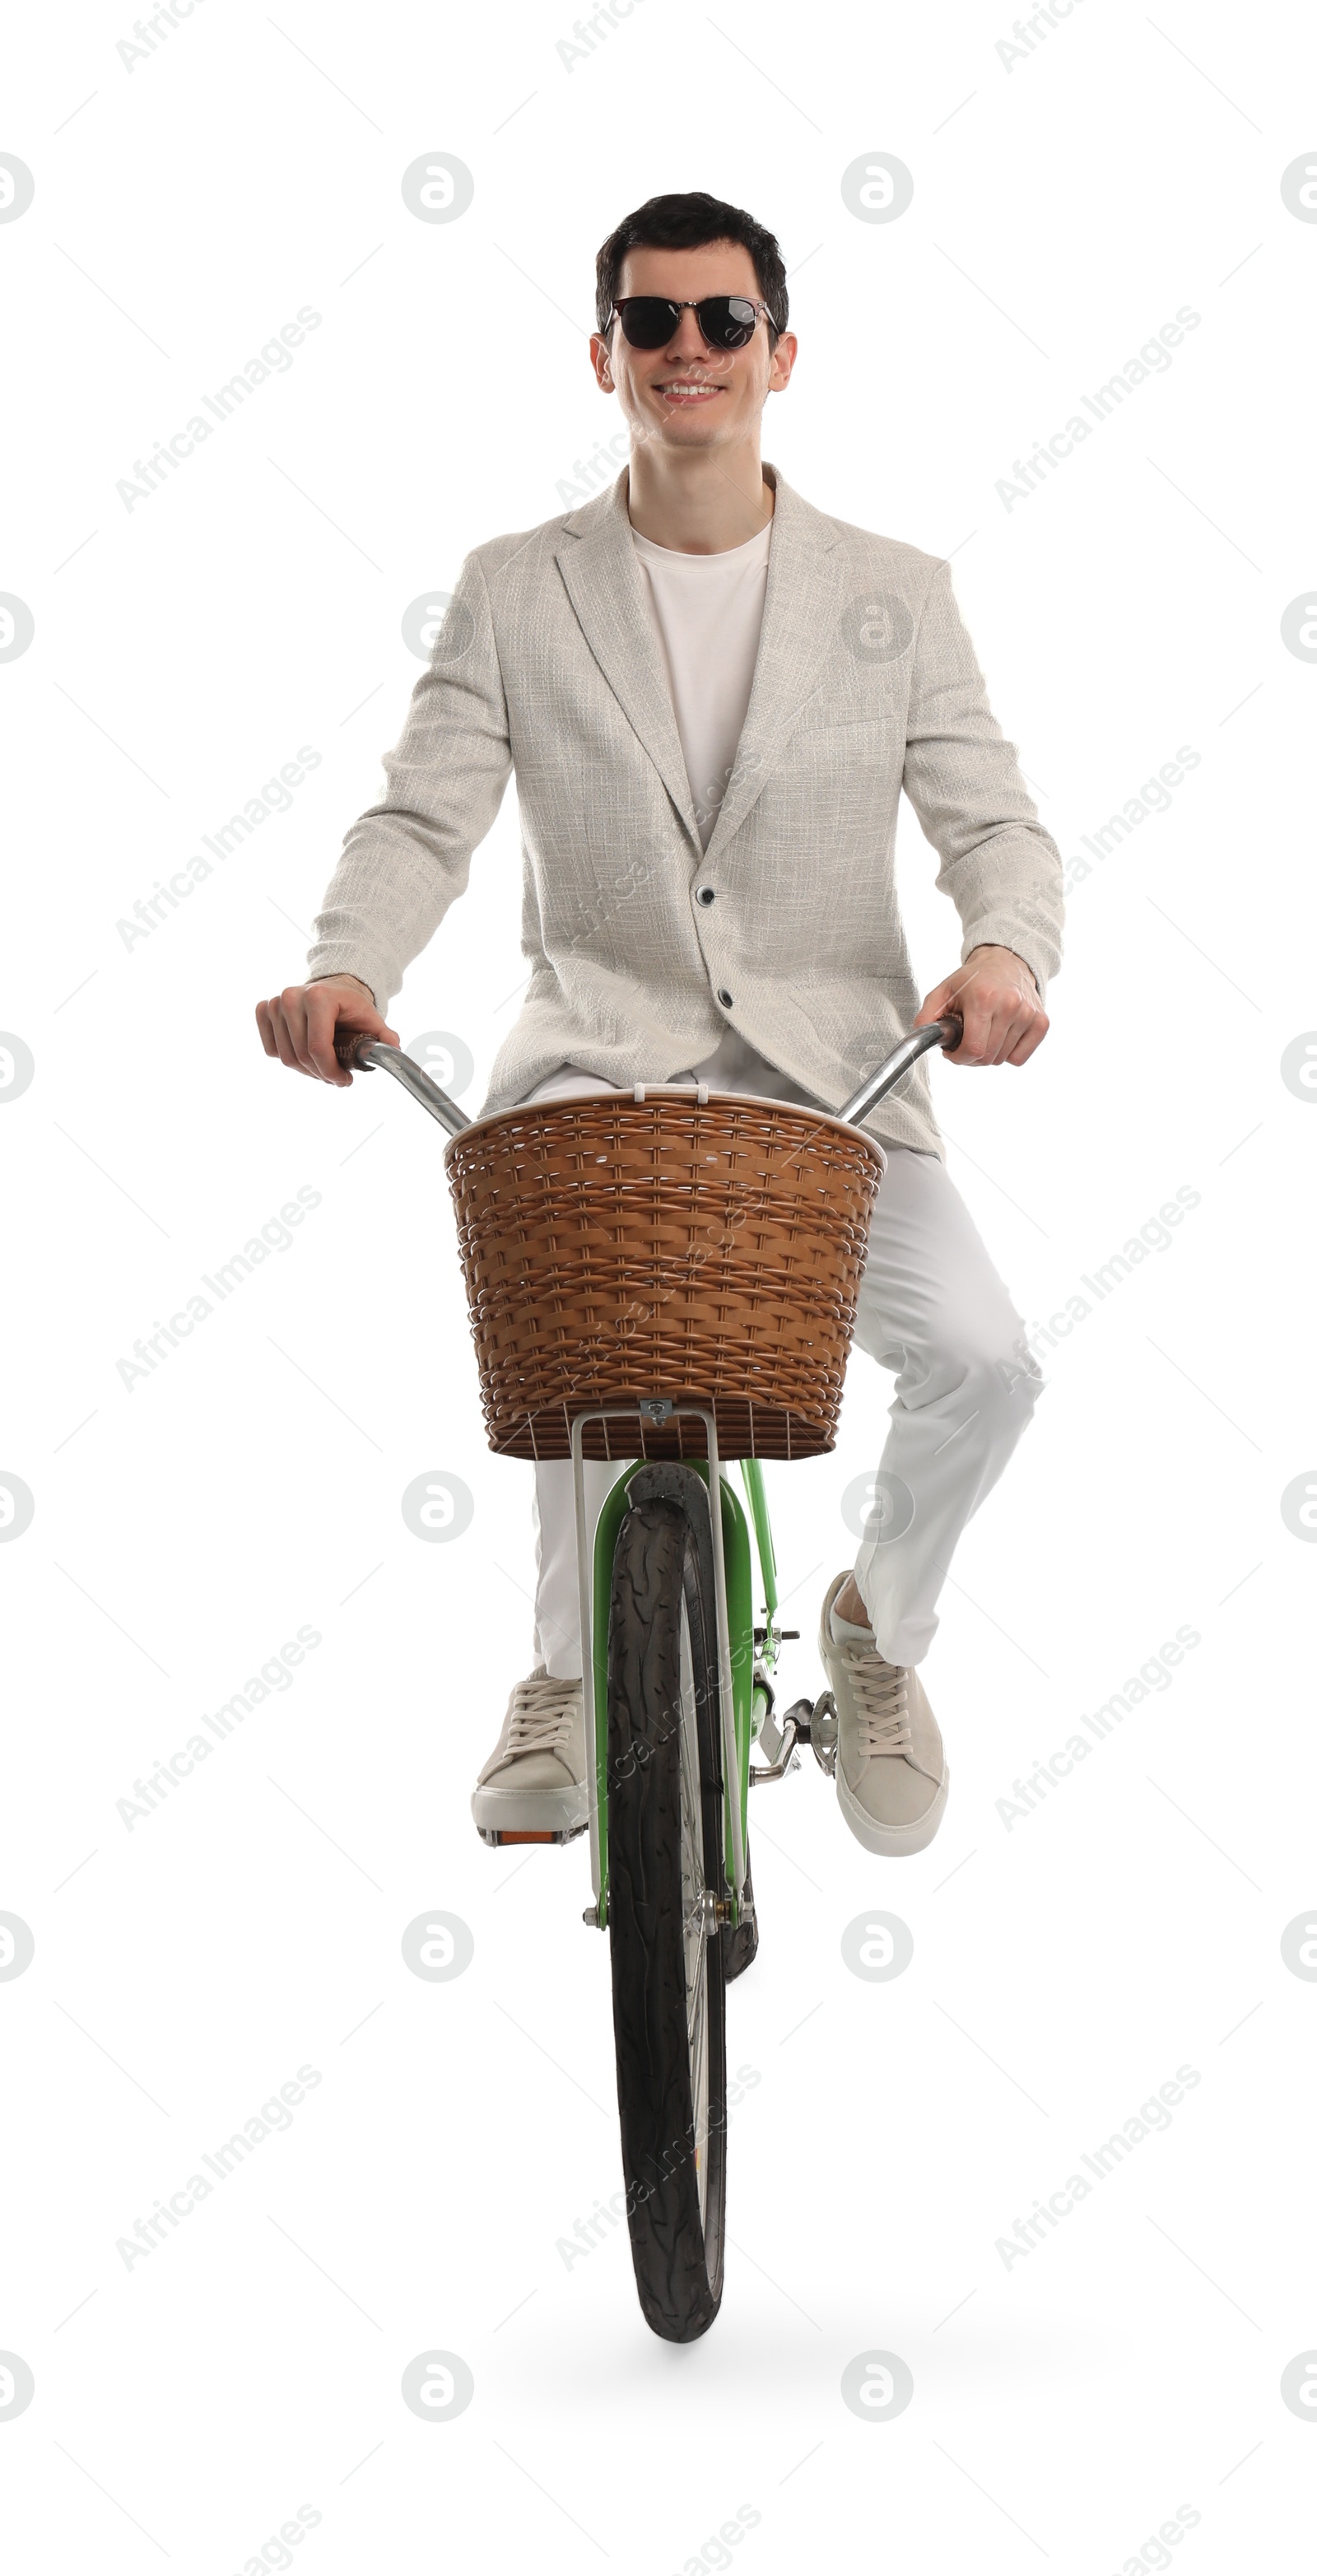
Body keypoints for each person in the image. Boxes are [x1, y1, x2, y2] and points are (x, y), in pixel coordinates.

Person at [256, 189, 1062, 1863]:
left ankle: (879, 1636)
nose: (681, 348)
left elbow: (992, 823)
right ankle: (561, 1671)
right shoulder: (512, 588)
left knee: (983, 1363)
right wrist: (348, 962)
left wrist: (1000, 949)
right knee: (574, 1348)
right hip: (596, 1055)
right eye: (647, 320)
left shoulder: (891, 592)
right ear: (603, 351)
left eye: (715, 320)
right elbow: (421, 818)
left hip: (835, 1082)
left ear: (777, 351)